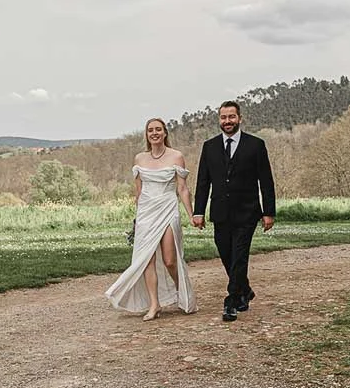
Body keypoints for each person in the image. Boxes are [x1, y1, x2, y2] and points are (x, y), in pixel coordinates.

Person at [105, 118, 198, 320]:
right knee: (147, 258)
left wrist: (191, 215)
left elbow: (182, 189)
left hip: (167, 209)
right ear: (147, 135)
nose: (154, 133)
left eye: (158, 129)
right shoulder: (140, 159)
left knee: (169, 260)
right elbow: (138, 192)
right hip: (147, 213)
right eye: (150, 130)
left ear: (165, 133)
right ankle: (154, 304)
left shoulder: (176, 156)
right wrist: (137, 219)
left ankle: (183, 293)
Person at [191, 101, 276, 322]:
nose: (227, 121)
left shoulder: (256, 145)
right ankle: (244, 291)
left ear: (240, 118)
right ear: (219, 120)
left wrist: (269, 212)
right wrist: (198, 211)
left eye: (231, 117)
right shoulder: (209, 147)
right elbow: (203, 182)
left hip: (247, 212)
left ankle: (231, 301)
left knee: (239, 255)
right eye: (223, 118)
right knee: (226, 253)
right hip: (220, 212)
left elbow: (266, 182)